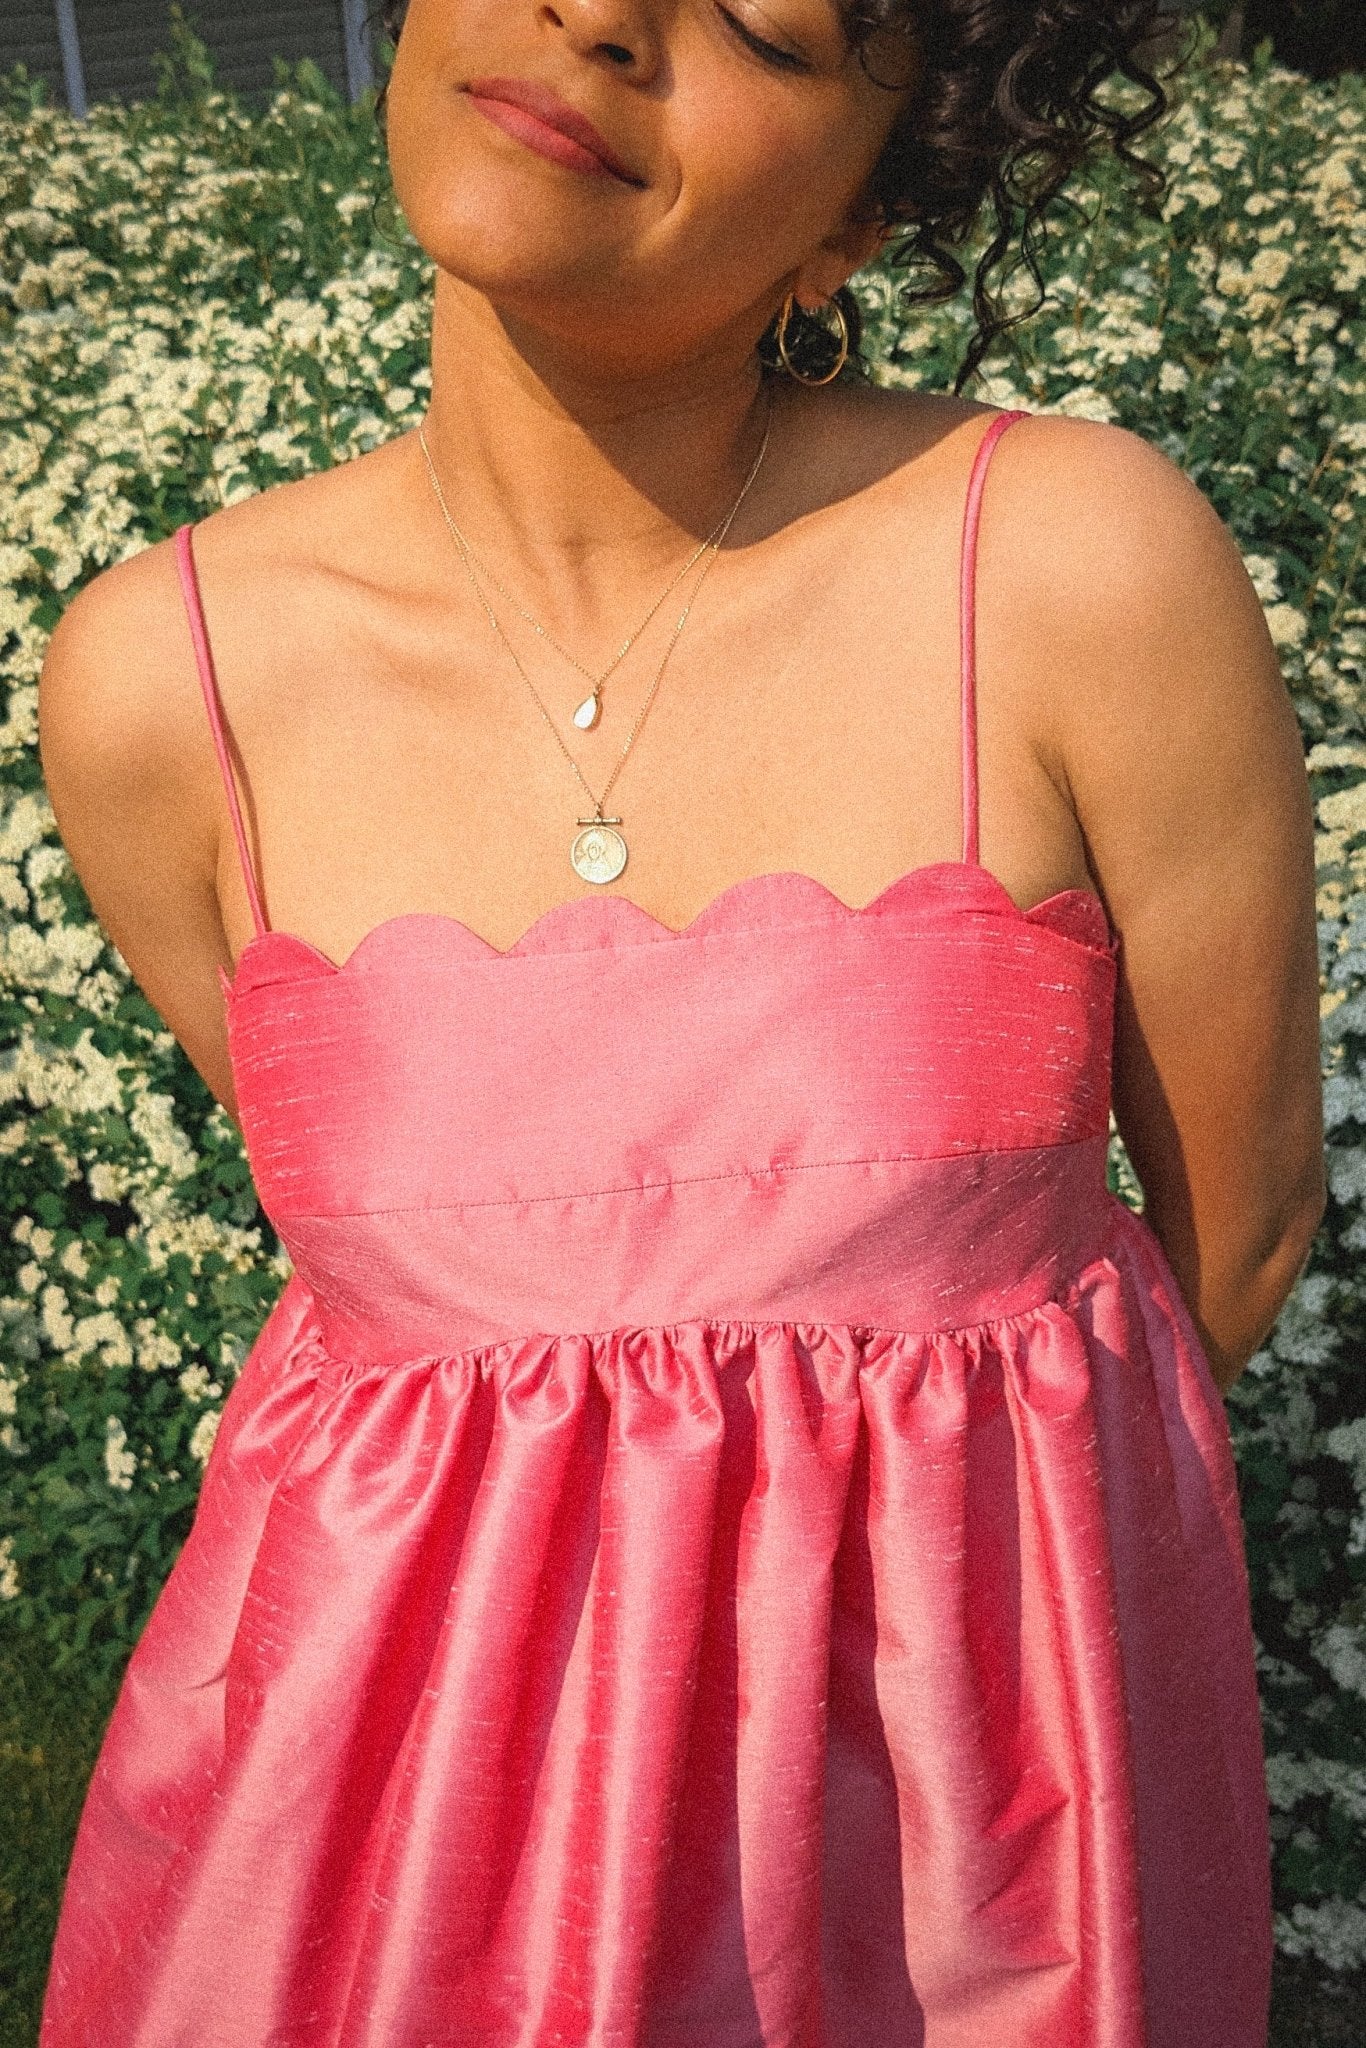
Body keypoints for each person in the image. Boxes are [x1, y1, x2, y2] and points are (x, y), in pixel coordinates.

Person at [36, 0, 1324, 2041]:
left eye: (763, 28)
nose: (599, 21)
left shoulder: (1067, 563)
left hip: (956, 1898)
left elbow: (1227, 1245)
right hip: (373, 1879)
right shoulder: (155, 684)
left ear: (855, 219)